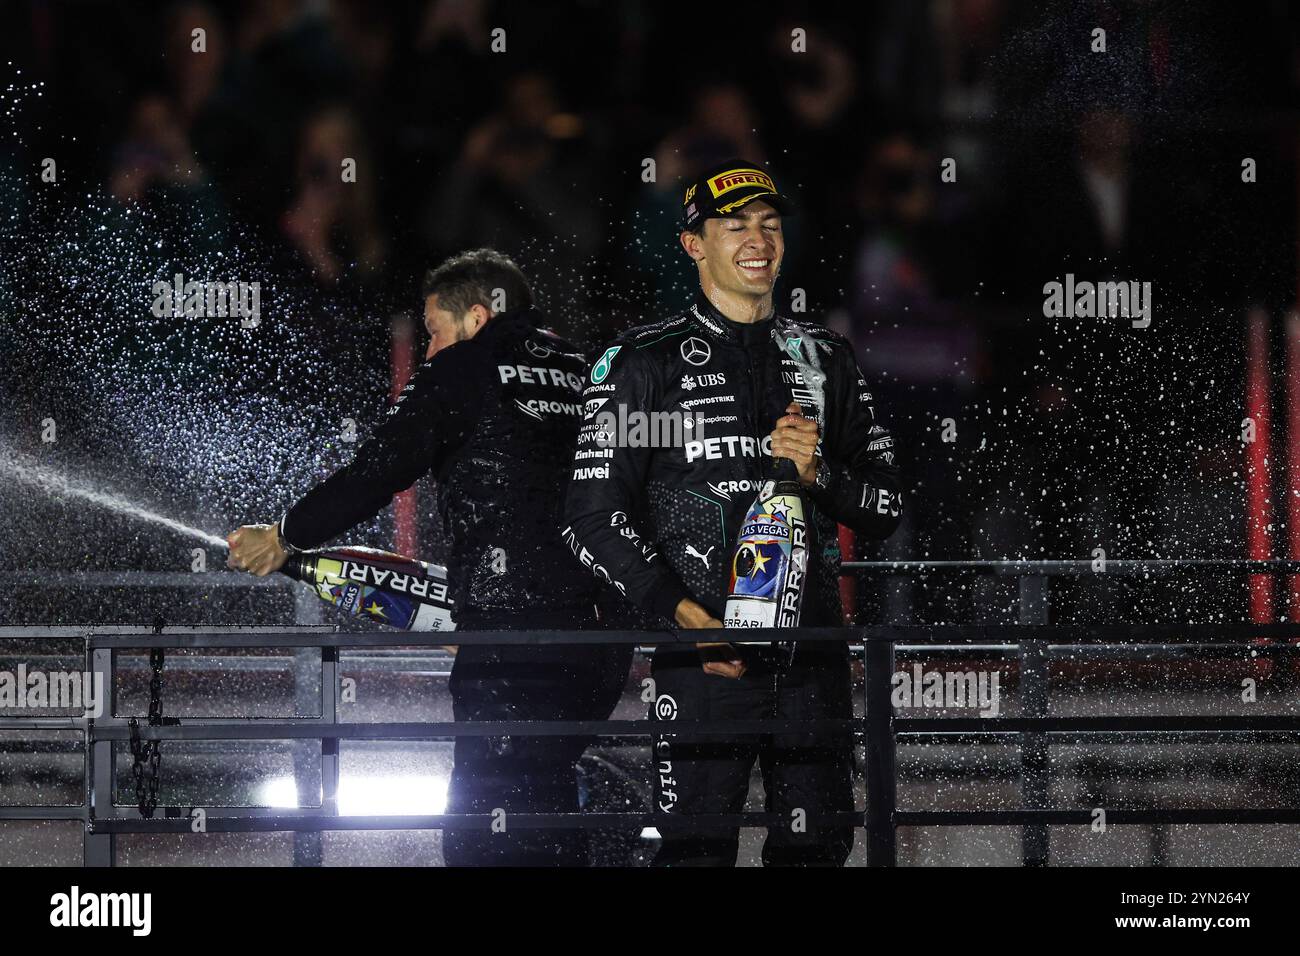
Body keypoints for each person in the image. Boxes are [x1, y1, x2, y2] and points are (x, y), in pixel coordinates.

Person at [226, 248, 629, 866]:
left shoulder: (464, 367)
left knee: (481, 833)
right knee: (546, 801)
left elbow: (378, 470)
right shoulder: (595, 369)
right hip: (605, 637)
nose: (430, 350)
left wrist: (285, 534)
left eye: (435, 331)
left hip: (513, 641)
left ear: (474, 316)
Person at [561, 160, 904, 866]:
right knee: (692, 857)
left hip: (814, 664)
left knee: (816, 854)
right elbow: (589, 519)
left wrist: (822, 476)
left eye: (770, 224)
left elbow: (887, 506)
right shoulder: (641, 362)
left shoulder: (826, 356)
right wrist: (687, 622)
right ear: (693, 244)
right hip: (700, 667)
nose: (758, 239)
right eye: (735, 224)